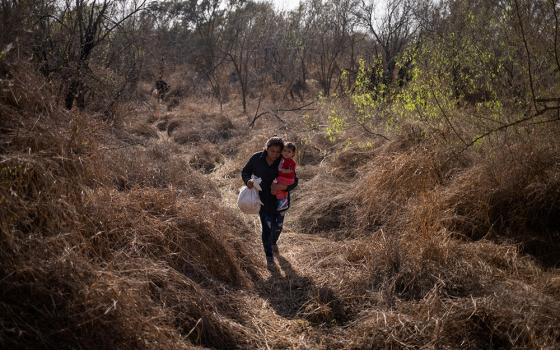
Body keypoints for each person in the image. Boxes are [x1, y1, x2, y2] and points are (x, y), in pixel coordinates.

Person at [241, 136, 298, 267]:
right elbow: (245, 171)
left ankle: (273, 243)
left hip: (281, 200)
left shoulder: (284, 160)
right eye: (272, 151)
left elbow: (295, 181)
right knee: (267, 227)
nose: (275, 154)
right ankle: (269, 256)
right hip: (263, 200)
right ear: (266, 148)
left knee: (277, 227)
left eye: (278, 152)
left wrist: (283, 187)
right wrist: (248, 181)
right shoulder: (256, 158)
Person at [272, 142, 297, 211]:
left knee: (278, 187)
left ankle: (282, 203)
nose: (286, 153)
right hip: (284, 178)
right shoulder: (282, 159)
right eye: (284, 150)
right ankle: (283, 202)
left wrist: (283, 170)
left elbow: (291, 170)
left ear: (293, 154)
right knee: (282, 191)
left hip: (287, 178)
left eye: (289, 152)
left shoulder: (291, 162)